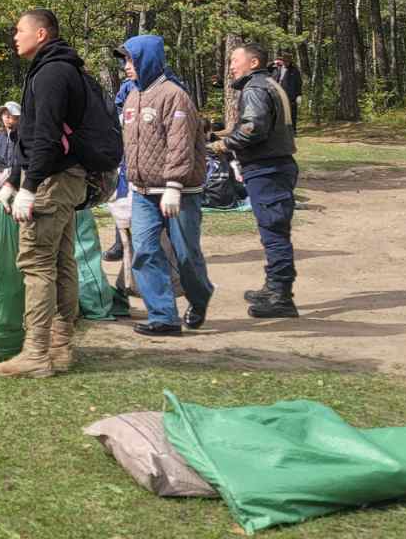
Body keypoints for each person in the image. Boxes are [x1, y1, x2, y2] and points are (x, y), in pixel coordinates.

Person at [0, 9, 92, 379]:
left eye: (20, 30)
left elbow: (46, 138)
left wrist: (29, 189)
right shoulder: (59, 68)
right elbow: (31, 136)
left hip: (52, 180)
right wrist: (11, 181)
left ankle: (36, 352)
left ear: (42, 33)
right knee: (62, 260)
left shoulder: (50, 73)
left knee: (36, 264)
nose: (15, 36)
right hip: (65, 178)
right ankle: (61, 347)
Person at [117, 36, 214, 337]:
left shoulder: (174, 95)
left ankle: (200, 296)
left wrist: (174, 184)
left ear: (147, 60)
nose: (126, 67)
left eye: (131, 60)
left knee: (185, 255)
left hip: (179, 192)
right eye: (124, 61)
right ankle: (164, 317)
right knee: (145, 252)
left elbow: (180, 144)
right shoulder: (132, 96)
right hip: (144, 192)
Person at [215, 42, 300, 319]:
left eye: (234, 61)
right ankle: (273, 286)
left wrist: (223, 145)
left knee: (274, 232)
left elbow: (254, 128)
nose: (230, 66)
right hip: (275, 166)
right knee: (273, 230)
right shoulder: (269, 84)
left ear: (253, 63)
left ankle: (281, 296)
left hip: (268, 168)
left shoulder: (255, 88)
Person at [272, 55, 304, 132]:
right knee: (278, 112)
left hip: (291, 95)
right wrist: (274, 62)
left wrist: (299, 95)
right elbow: (267, 68)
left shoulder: (294, 71)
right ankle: (279, 130)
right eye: (284, 61)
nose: (286, 63)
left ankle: (293, 130)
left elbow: (299, 83)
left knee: (292, 113)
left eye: (287, 61)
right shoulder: (277, 69)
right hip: (278, 94)